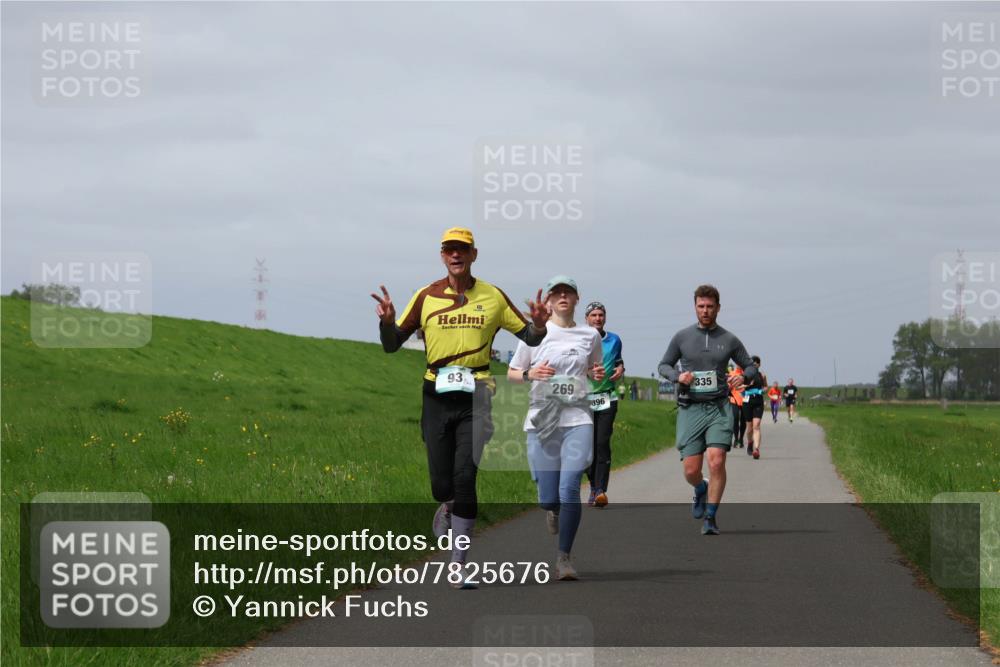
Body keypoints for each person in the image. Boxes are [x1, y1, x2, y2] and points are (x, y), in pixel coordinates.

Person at [372, 227, 550, 588]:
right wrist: (387, 322)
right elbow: (392, 345)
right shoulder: (425, 297)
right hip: (436, 396)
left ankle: (458, 562)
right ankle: (447, 505)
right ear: (442, 255)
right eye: (449, 250)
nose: (456, 255)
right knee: (442, 484)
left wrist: (541, 325)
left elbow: (529, 337)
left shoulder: (493, 296)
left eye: (462, 250)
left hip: (478, 394)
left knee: (466, 477)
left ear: (473, 254)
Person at [508, 276, 604, 580]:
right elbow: (512, 372)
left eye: (569, 292)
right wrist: (529, 373)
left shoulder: (590, 335)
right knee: (548, 498)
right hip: (542, 418)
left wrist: (595, 371)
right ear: (548, 301)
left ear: (576, 299)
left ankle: (564, 558)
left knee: (570, 487)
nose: (563, 296)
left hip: (577, 417)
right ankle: (551, 509)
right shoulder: (534, 333)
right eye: (557, 293)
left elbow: (593, 368)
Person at [657, 284, 758, 536]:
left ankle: (711, 517)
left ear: (718, 308)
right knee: (692, 470)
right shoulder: (682, 337)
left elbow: (750, 366)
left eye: (710, 307)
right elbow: (664, 365)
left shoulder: (729, 339)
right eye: (701, 306)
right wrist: (678, 377)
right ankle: (700, 489)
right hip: (690, 408)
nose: (705, 311)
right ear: (695, 307)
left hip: (719, 407)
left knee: (716, 461)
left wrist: (742, 376)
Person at [582, 301, 625, 508]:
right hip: (583, 399)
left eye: (601, 315)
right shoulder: (578, 340)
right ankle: (592, 485)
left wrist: (620, 368)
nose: (598, 318)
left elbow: (618, 360)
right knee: (586, 447)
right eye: (594, 315)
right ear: (586, 319)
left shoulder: (614, 340)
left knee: (601, 443)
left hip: (608, 397)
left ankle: (600, 490)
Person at [741, 355, 767, 459]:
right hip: (747, 401)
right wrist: (747, 385)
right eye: (753, 362)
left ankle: (756, 449)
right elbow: (738, 387)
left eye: (757, 362)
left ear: (759, 364)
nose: (755, 363)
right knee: (749, 428)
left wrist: (763, 390)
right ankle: (750, 443)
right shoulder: (745, 375)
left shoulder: (762, 375)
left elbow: (765, 387)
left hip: (758, 401)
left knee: (757, 425)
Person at [727, 365, 745, 448]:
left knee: (743, 421)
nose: (739, 365)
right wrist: (729, 386)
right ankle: (736, 439)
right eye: (738, 364)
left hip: (745, 400)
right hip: (734, 399)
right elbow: (728, 386)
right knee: (735, 418)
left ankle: (741, 439)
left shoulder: (746, 375)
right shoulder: (732, 373)